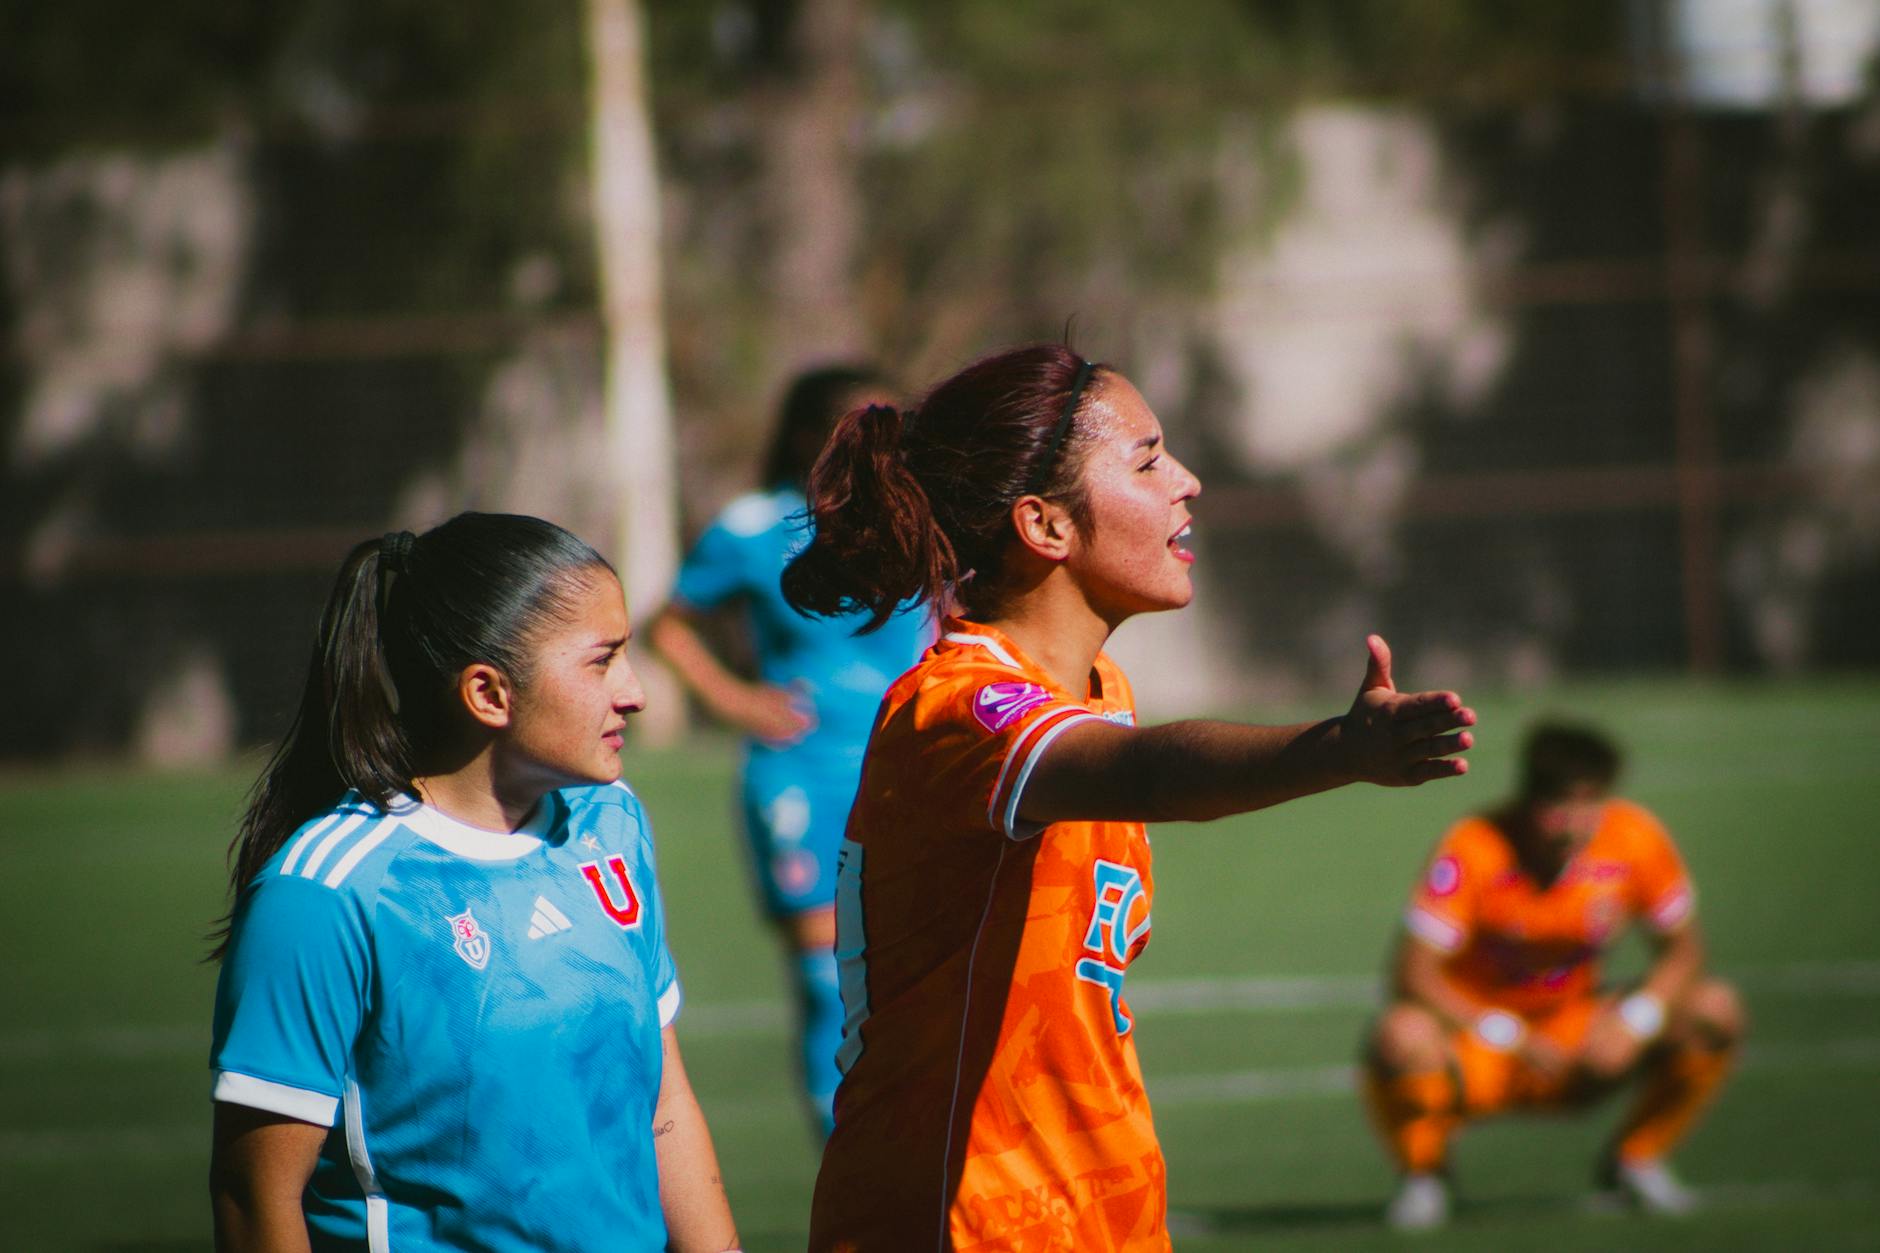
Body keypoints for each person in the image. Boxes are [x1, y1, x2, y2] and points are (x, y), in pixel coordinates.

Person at [777, 343, 1478, 1252]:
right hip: (965, 1222)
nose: (1186, 481)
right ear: (1045, 526)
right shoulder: (960, 709)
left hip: (1100, 1219)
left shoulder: (1099, 685)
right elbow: (1148, 774)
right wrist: (1337, 749)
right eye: (1146, 460)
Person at [207, 513, 739, 1252]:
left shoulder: (609, 824)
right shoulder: (330, 890)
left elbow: (664, 1103)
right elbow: (253, 1196)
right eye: (602, 661)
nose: (636, 692)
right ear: (489, 693)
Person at [646, 365, 932, 1137]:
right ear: (811, 435)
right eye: (859, 427)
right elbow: (667, 625)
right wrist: (735, 700)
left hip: (908, 764)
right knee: (824, 972)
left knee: (913, 965)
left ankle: (914, 1145)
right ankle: (847, 1150)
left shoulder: (917, 518)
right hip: (800, 773)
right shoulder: (751, 526)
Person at [1362, 721, 1745, 1230]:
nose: (1572, 824)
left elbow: (1685, 950)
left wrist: (1635, 1019)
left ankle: (1636, 1159)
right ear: (1526, 799)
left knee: (1714, 1008)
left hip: (1577, 1038)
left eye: (1589, 803)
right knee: (1400, 1033)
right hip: (1482, 1044)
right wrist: (1511, 1035)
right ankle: (1426, 1175)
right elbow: (1411, 974)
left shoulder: (1634, 837)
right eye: (1558, 805)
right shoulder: (1475, 846)